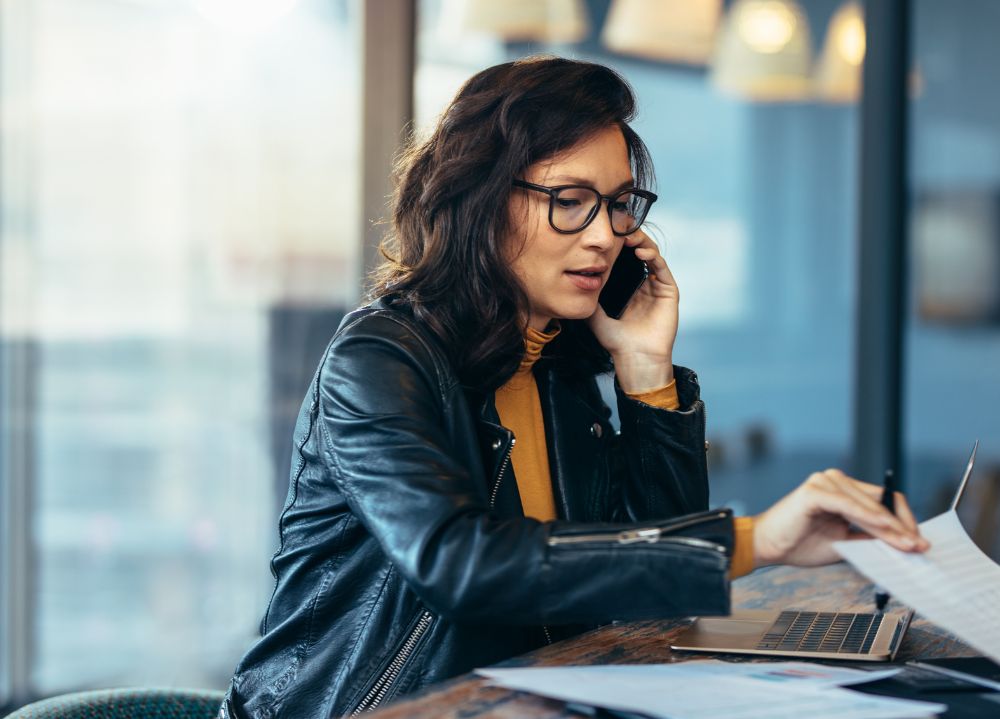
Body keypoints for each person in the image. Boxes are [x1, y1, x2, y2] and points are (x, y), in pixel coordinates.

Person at [222, 56, 927, 719]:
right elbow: (463, 561)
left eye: (619, 205)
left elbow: (648, 597)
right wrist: (756, 540)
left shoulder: (557, 366)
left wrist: (646, 372)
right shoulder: (380, 357)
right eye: (569, 200)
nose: (604, 237)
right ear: (482, 199)